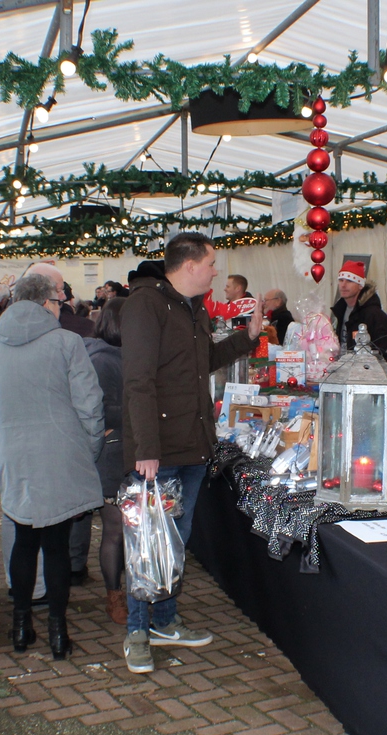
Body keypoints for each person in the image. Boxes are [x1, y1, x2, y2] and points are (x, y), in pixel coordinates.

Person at [121, 231, 261, 674]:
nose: (216, 270)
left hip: (193, 445)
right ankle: (137, 632)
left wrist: (247, 337)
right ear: (189, 265)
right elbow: (138, 380)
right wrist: (146, 448)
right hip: (159, 452)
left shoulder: (193, 308)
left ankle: (164, 620)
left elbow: (201, 362)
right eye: (212, 262)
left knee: (174, 542)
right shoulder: (145, 305)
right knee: (147, 542)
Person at [0, 272, 104, 660]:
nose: (61, 306)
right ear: (46, 303)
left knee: (24, 540)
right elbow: (90, 406)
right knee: (57, 546)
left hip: (14, 456)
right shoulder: (67, 343)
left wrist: (1, 442)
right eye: (59, 300)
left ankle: (20, 625)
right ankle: (58, 633)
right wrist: (88, 447)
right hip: (61, 454)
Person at [85, 298, 128, 625]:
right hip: (112, 455)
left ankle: (131, 590)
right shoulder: (102, 360)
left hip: (130, 452)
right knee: (114, 530)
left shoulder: (126, 356)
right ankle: (114, 595)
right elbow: (98, 412)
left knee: (130, 530)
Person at [330, 261, 387, 356]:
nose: (343, 285)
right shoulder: (340, 310)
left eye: (349, 281)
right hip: (344, 367)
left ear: (360, 285)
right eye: (341, 280)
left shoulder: (375, 315)